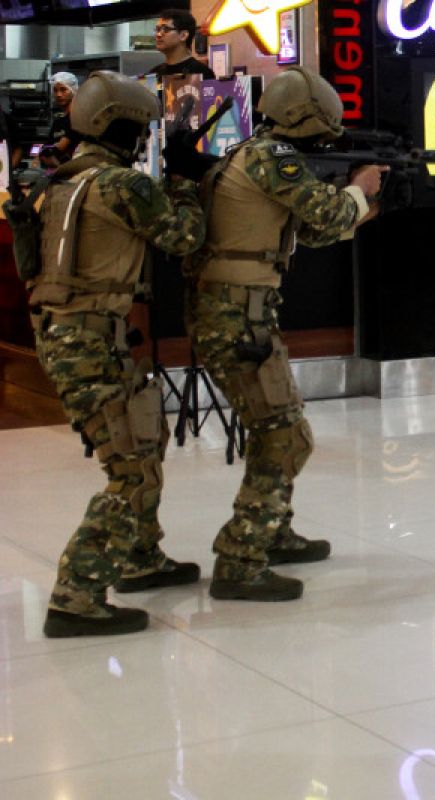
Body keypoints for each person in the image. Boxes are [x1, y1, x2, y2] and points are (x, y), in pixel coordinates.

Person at [184, 66, 385, 601]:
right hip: (237, 316)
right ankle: (241, 557)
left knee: (276, 428)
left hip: (235, 311)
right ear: (306, 117)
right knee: (285, 436)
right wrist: (359, 191)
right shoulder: (275, 159)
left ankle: (272, 532)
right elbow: (327, 211)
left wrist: (362, 207)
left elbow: (313, 231)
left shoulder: (248, 155)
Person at [31, 71, 209, 637]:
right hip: (87, 339)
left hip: (75, 333)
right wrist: (181, 180)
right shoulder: (120, 186)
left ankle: (138, 557)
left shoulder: (64, 180)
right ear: (122, 127)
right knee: (129, 469)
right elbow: (184, 237)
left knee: (145, 439)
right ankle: (75, 595)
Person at [147, 9, 216, 80]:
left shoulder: (202, 73)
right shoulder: (153, 75)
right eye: (158, 29)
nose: (158, 35)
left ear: (183, 35)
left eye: (166, 29)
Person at [40, 72, 81, 169]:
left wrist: (49, 151)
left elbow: (59, 147)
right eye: (55, 90)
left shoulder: (78, 118)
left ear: (73, 90)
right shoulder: (58, 122)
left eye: (63, 90)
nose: (58, 94)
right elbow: (45, 152)